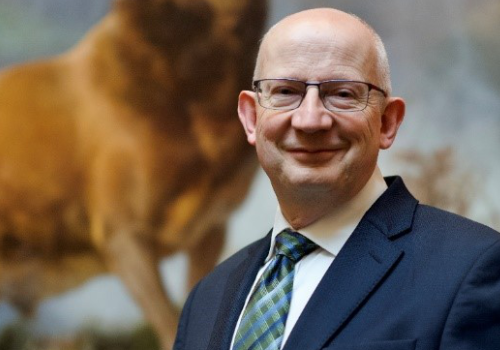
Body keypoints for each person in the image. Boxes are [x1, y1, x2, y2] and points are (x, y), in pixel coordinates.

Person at [173, 8, 500, 350]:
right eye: (285, 92)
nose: (310, 120)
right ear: (252, 118)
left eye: (342, 94)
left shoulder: (471, 269)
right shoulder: (206, 300)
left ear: (388, 122)